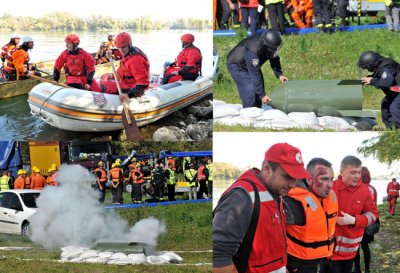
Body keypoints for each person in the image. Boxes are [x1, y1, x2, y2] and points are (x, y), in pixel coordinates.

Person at [213, 143, 311, 273]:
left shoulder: (276, 193)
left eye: (296, 178)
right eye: (287, 176)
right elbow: (218, 258)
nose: (293, 184)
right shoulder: (241, 197)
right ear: (266, 168)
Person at [284, 158, 338, 273]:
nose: (330, 185)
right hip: (300, 263)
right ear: (309, 179)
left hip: (324, 259)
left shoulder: (328, 197)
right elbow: (268, 235)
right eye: (324, 179)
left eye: (331, 179)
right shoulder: (292, 203)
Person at [330, 156, 379, 273]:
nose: (357, 176)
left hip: (350, 252)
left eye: (358, 172)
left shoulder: (364, 190)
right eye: (353, 172)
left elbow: (373, 214)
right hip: (329, 251)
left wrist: (354, 220)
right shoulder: (331, 187)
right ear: (342, 172)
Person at [226, 30, 288, 108]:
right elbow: (255, 74)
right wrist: (262, 95)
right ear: (267, 47)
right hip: (237, 65)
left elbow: (274, 58)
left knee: (258, 87)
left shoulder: (269, 46)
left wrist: (279, 74)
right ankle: (248, 113)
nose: (275, 51)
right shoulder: (253, 52)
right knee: (250, 89)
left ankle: (257, 109)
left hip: (249, 65)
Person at [358, 51, 400, 128]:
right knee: (385, 105)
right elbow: (382, 77)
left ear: (372, 65)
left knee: (395, 107)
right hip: (396, 91)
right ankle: (392, 129)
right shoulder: (381, 67)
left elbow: (386, 83)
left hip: (398, 92)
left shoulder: (386, 69)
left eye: (367, 67)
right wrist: (371, 78)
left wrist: (372, 80)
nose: (367, 70)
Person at [353, 166, 378, 273]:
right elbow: (375, 206)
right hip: (369, 221)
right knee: (365, 246)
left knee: (356, 247)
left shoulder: (358, 188)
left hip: (359, 221)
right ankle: (367, 269)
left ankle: (357, 268)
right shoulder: (373, 188)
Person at [113, 32, 150, 103]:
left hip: (133, 88)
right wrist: (111, 52)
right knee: (105, 78)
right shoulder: (130, 51)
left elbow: (143, 83)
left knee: (106, 86)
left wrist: (129, 95)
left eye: (123, 47)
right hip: (127, 83)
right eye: (119, 48)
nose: (121, 51)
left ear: (129, 45)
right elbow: (119, 51)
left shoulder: (135, 60)